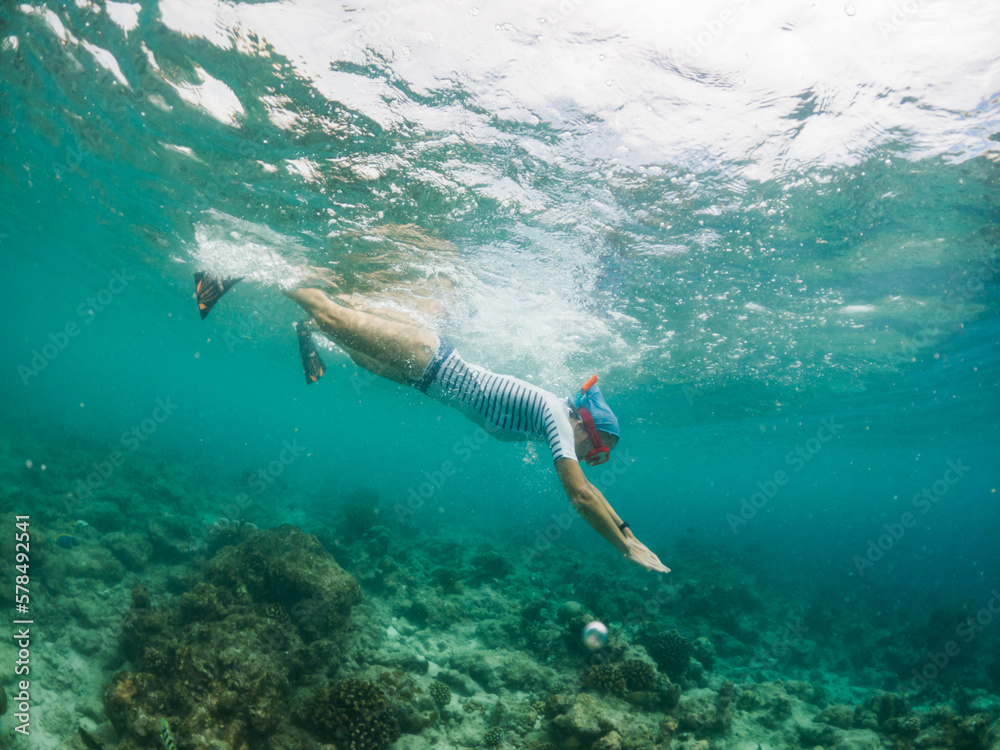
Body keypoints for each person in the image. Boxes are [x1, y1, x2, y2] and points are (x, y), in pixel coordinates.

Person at [195, 272, 670, 573]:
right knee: (334, 314)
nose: (595, 458)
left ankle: (307, 331)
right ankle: (242, 271)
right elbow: (581, 494)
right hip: (427, 358)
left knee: (358, 358)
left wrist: (629, 533)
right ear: (585, 425)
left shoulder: (559, 423)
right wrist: (624, 551)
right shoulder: (557, 418)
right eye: (599, 449)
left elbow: (592, 490)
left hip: (424, 378)